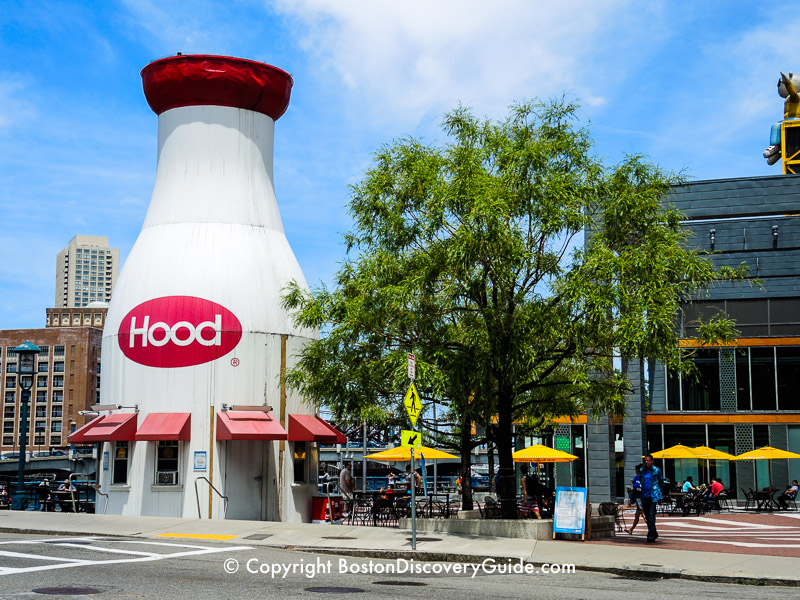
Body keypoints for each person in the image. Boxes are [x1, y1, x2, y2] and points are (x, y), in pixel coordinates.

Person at [640, 454, 664, 543]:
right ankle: (654, 532)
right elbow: (641, 481)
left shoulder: (657, 470)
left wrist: (658, 492)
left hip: (652, 496)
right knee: (647, 516)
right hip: (644, 495)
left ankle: (651, 535)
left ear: (652, 461)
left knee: (651, 516)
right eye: (645, 460)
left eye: (648, 460)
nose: (646, 462)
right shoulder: (642, 470)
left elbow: (661, 482)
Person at [626, 464, 645, 534]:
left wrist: (631, 489)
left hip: (639, 497)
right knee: (637, 515)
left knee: (642, 513)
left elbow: (637, 488)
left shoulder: (637, 477)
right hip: (645, 497)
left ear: (637, 470)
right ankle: (631, 529)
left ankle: (651, 529)